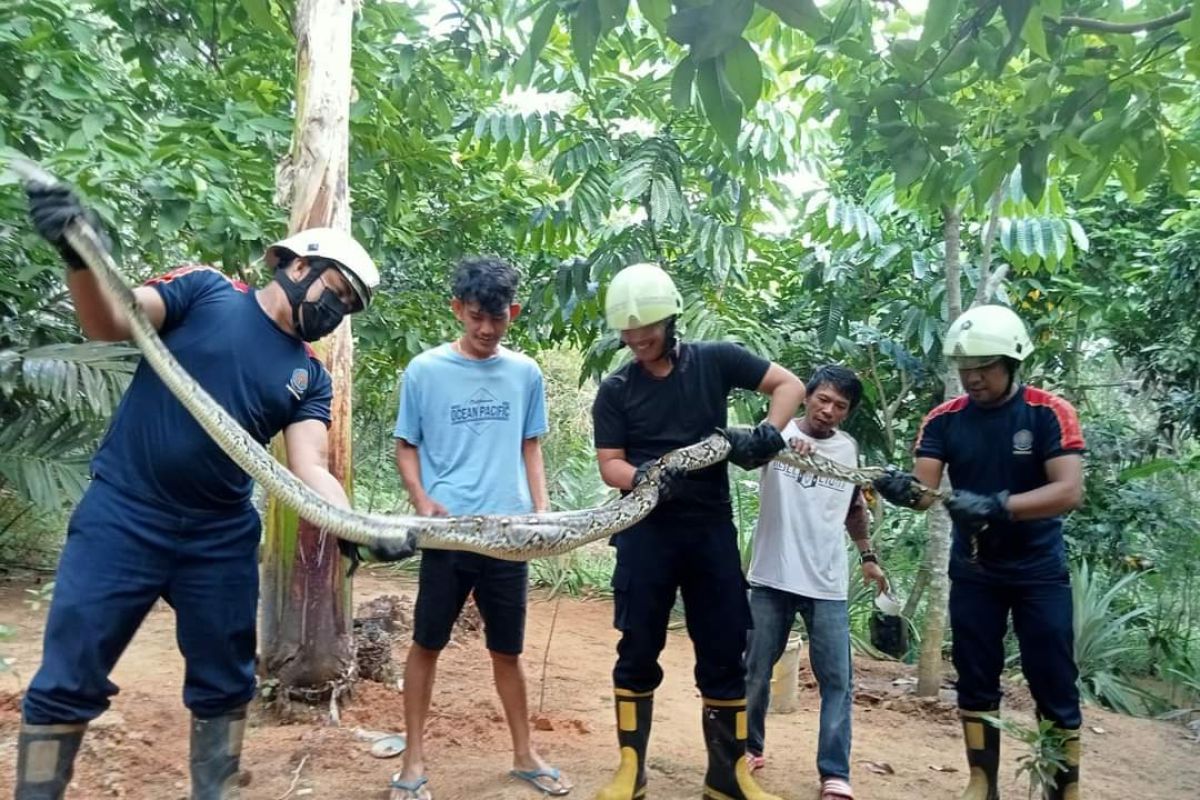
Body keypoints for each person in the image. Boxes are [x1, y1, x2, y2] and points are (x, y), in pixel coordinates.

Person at [15, 182, 404, 800]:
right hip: (124, 515)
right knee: (71, 670)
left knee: (226, 681)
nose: (336, 311)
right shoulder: (207, 292)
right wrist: (77, 254)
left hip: (218, 536)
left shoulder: (309, 375)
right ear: (299, 265)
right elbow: (110, 320)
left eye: (348, 307)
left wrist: (359, 526)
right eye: (336, 292)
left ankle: (213, 790)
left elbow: (311, 466)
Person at [590, 262, 806, 800]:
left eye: (648, 332)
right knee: (638, 645)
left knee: (724, 647)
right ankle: (629, 769)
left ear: (671, 322)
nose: (638, 341)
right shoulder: (616, 389)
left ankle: (727, 776)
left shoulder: (716, 360)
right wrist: (644, 478)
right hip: (645, 532)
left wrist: (766, 435)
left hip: (709, 532)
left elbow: (789, 386)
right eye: (629, 335)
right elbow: (610, 464)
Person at [871, 304, 1085, 800]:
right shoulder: (945, 420)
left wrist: (998, 505)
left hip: (1038, 569)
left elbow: (1068, 491)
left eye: (984, 367)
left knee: (1052, 676)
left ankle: (1062, 789)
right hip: (974, 569)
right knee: (975, 673)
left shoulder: (1047, 412)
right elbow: (926, 493)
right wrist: (896, 486)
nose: (973, 378)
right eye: (966, 369)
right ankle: (980, 782)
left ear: (1012, 363)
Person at [387, 256, 570, 800]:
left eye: (498, 318)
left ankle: (524, 754)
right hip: (449, 534)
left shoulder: (525, 373)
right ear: (458, 311)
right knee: (427, 642)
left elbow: (530, 444)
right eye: (475, 317)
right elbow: (406, 445)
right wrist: (421, 498)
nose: (487, 329)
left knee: (507, 651)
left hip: (510, 535)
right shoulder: (424, 370)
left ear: (512, 313)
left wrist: (541, 510)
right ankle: (413, 760)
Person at [744, 365, 887, 800]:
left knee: (837, 681)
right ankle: (748, 748)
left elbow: (853, 506)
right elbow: (747, 454)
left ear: (847, 413)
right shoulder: (776, 432)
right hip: (771, 576)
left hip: (826, 584)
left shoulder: (848, 449)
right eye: (823, 399)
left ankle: (834, 773)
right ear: (807, 396)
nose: (828, 411)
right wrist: (781, 446)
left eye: (840, 406)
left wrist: (867, 556)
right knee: (753, 670)